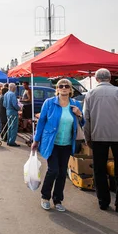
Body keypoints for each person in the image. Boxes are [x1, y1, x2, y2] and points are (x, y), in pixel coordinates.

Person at [83, 68, 118, 213]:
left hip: (98, 136)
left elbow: (86, 119)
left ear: (96, 79)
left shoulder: (90, 94)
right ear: (110, 78)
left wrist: (87, 137)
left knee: (99, 170)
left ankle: (103, 202)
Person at [32, 79, 85, 212]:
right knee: (53, 170)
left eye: (66, 86)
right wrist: (36, 140)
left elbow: (83, 123)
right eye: (61, 86)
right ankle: (45, 197)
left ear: (70, 89)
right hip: (51, 142)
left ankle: (58, 200)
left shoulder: (75, 104)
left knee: (62, 173)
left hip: (67, 144)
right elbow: (41, 122)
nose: (64, 88)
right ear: (57, 89)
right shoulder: (49, 103)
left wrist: (80, 114)